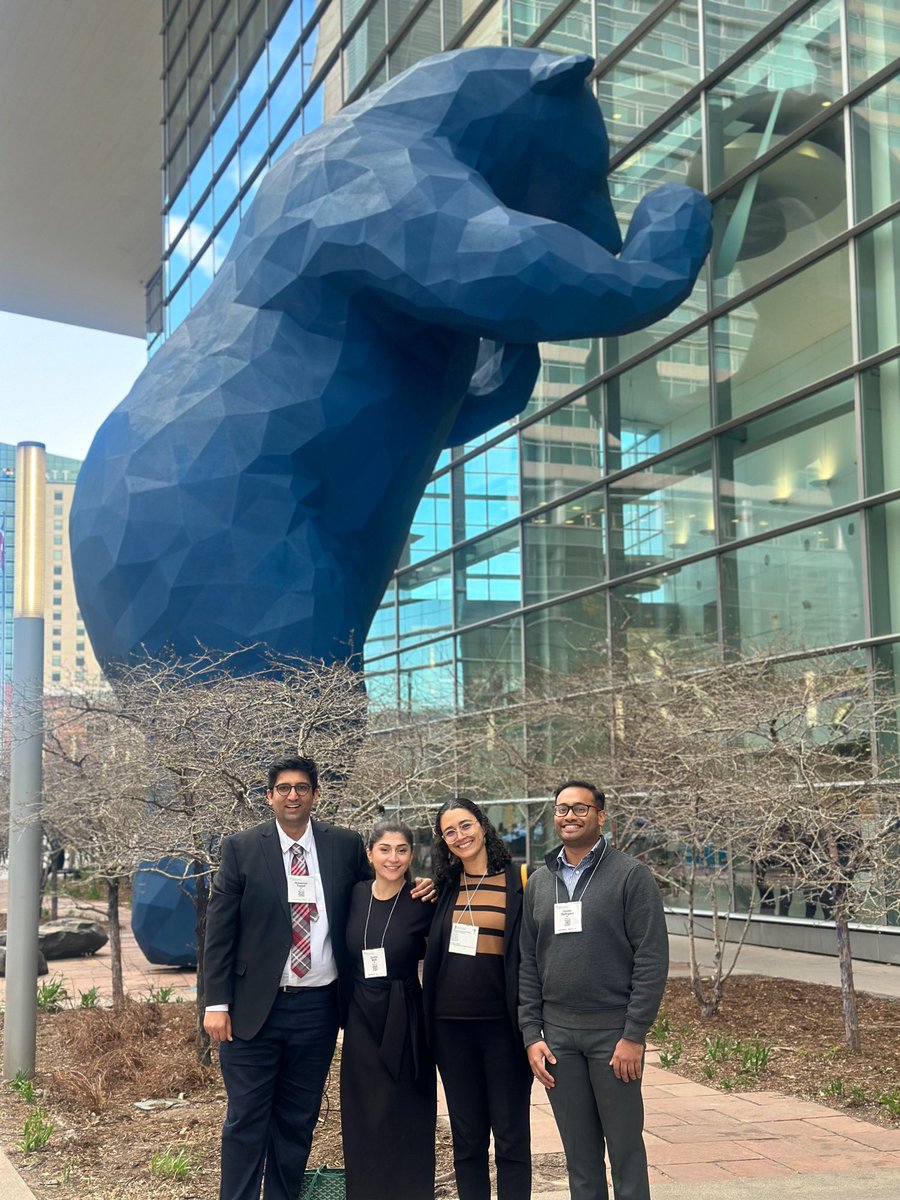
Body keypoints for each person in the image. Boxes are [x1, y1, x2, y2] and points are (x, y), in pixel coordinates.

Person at [203, 755, 433, 1200]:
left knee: (297, 1120)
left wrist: (424, 887)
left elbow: (382, 892)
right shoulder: (241, 847)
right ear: (269, 796)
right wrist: (216, 1003)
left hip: (319, 1007)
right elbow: (219, 930)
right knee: (246, 1119)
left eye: (302, 787)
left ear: (315, 795)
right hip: (254, 1010)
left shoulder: (343, 845)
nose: (293, 795)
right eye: (284, 788)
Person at [519, 780, 668, 1200]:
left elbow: (651, 960)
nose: (569, 816)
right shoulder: (540, 881)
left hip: (613, 1038)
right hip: (558, 1039)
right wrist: (532, 1034)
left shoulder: (630, 876)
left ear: (600, 816)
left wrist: (634, 1035)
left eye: (580, 808)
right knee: (579, 1156)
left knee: (625, 1150)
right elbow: (527, 961)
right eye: (562, 808)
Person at [423, 797, 532, 1200]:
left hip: (504, 1029)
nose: (459, 836)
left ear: (482, 826)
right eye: (449, 831)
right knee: (467, 1139)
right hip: (451, 1031)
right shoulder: (443, 887)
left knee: (510, 1135)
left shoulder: (520, 880)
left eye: (465, 825)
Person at [340, 818, 436, 1200]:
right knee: (364, 1116)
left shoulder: (423, 898)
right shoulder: (355, 894)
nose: (393, 858)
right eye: (384, 849)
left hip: (405, 1015)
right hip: (361, 1014)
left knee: (405, 1115)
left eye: (401, 850)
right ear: (370, 854)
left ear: (411, 855)